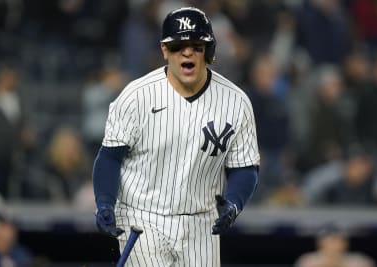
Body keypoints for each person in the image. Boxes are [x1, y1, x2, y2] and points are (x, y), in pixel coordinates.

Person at [92, 6, 260, 266]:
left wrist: (234, 202)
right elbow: (110, 157)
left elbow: (245, 166)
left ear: (209, 51)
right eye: (178, 45)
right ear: (164, 50)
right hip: (142, 217)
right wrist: (104, 202)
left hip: (202, 221)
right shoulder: (137, 96)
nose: (187, 52)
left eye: (196, 44)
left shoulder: (235, 102)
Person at [294, 225, 376, 267]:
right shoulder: (308, 260)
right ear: (321, 243)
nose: (335, 244)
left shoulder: (359, 260)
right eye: (331, 240)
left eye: (339, 240)